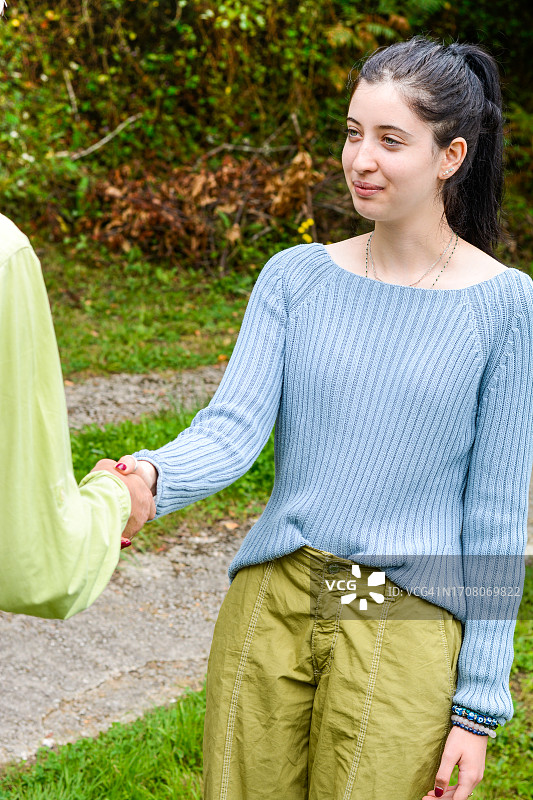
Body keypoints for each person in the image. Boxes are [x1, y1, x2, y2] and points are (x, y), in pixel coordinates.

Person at [109, 36, 533, 800]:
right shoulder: (294, 277)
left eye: (390, 139)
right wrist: (150, 476)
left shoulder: (503, 306)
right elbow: (230, 429)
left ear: (450, 156)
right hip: (274, 591)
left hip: (400, 604)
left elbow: (495, 513)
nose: (359, 158)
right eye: (351, 131)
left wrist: (476, 707)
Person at [0, 213, 156, 619]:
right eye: (347, 141)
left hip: (344, 560)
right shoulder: (291, 278)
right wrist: (152, 474)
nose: (350, 159)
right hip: (289, 577)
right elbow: (235, 422)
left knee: (347, 676)